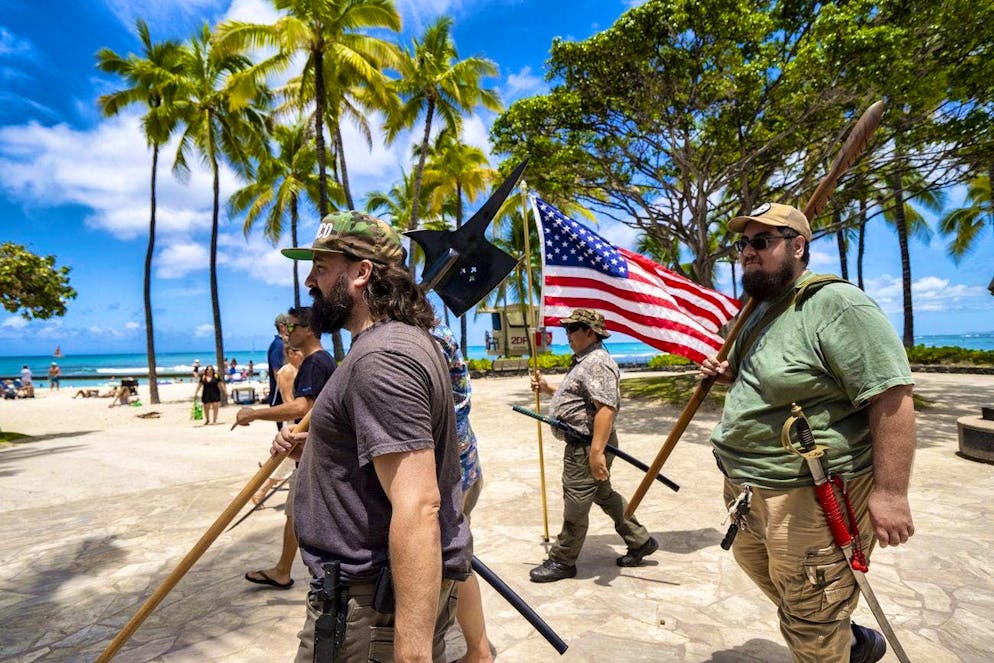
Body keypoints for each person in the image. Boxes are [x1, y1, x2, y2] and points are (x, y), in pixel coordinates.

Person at [699, 202, 916, 663]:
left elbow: (891, 396)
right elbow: (768, 375)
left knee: (811, 618)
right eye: (742, 244)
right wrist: (729, 373)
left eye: (762, 241)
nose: (747, 253)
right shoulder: (758, 308)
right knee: (773, 577)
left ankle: (830, 638)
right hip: (749, 487)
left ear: (798, 247)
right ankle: (848, 639)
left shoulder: (837, 305)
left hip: (812, 492)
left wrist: (891, 492)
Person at [271, 210, 470, 662]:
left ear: (361, 273)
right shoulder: (397, 342)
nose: (310, 282)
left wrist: (412, 653)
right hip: (364, 599)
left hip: (366, 608)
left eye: (322, 268)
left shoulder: (383, 358)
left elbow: (419, 505)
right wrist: (323, 444)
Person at [529, 308, 658, 583]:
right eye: (568, 329)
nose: (568, 334)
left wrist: (596, 452)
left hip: (587, 444)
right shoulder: (585, 360)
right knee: (603, 494)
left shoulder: (597, 361)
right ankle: (640, 540)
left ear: (591, 332)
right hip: (588, 443)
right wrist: (548, 388)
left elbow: (605, 410)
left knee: (576, 500)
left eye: (573, 329)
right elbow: (581, 397)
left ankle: (563, 560)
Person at [235, 306, 336, 591]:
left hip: (315, 455)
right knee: (296, 511)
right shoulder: (320, 361)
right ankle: (283, 569)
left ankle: (291, 571)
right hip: (312, 452)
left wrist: (253, 414)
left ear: (309, 330)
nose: (286, 333)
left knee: (300, 513)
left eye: (292, 327)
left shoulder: (315, 363)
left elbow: (304, 406)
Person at [432, 324, 493, 663]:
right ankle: (478, 650)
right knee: (457, 561)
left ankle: (478, 651)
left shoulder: (423, 335)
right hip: (458, 467)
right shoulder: (423, 328)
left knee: (451, 563)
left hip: (450, 473)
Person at [251, 345, 305, 506]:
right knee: (288, 459)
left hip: (299, 418)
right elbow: (288, 399)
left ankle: (261, 492)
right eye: (297, 351)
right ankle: (260, 492)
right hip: (295, 420)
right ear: (290, 353)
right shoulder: (287, 371)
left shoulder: (301, 369)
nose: (301, 353)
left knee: (289, 461)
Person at [267, 313, 289, 408]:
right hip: (281, 399)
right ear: (282, 327)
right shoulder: (279, 345)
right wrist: (288, 398)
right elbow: (277, 373)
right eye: (290, 326)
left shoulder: (282, 344)